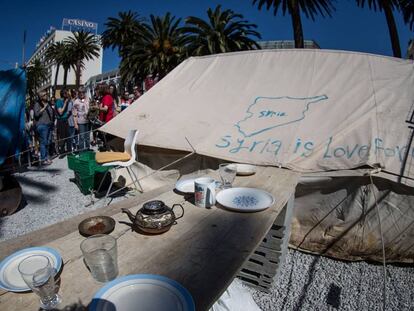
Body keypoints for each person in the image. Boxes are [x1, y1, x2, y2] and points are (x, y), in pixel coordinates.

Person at [33, 91, 54, 165]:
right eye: (45, 95)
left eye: (46, 94)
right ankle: (43, 158)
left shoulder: (48, 103)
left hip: (49, 125)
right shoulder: (37, 104)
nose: (46, 95)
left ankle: (47, 157)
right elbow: (36, 114)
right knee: (43, 142)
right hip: (42, 125)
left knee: (48, 142)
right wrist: (44, 107)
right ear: (41, 97)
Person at [54, 89, 71, 158]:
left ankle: (69, 151)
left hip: (65, 120)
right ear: (63, 94)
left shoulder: (65, 101)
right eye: (66, 94)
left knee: (68, 136)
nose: (67, 95)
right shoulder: (59, 101)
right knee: (62, 137)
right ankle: (62, 152)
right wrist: (65, 103)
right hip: (61, 121)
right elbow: (60, 112)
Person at [73, 87, 90, 151]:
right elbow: (74, 114)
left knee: (88, 137)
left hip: (88, 121)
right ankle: (82, 151)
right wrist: (75, 124)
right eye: (80, 92)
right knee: (82, 137)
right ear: (78, 93)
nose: (82, 93)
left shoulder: (88, 99)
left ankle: (88, 150)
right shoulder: (76, 102)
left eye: (83, 92)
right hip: (80, 122)